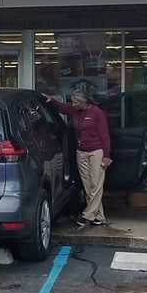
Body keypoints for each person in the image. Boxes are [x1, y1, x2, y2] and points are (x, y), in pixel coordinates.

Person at [45, 88, 112, 228]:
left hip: (96, 152)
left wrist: (106, 156)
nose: (73, 104)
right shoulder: (74, 110)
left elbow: (105, 136)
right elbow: (63, 108)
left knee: (96, 184)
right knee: (88, 186)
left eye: (76, 102)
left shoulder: (97, 113)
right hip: (81, 152)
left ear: (84, 101)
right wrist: (52, 100)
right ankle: (98, 217)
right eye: (72, 101)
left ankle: (87, 215)